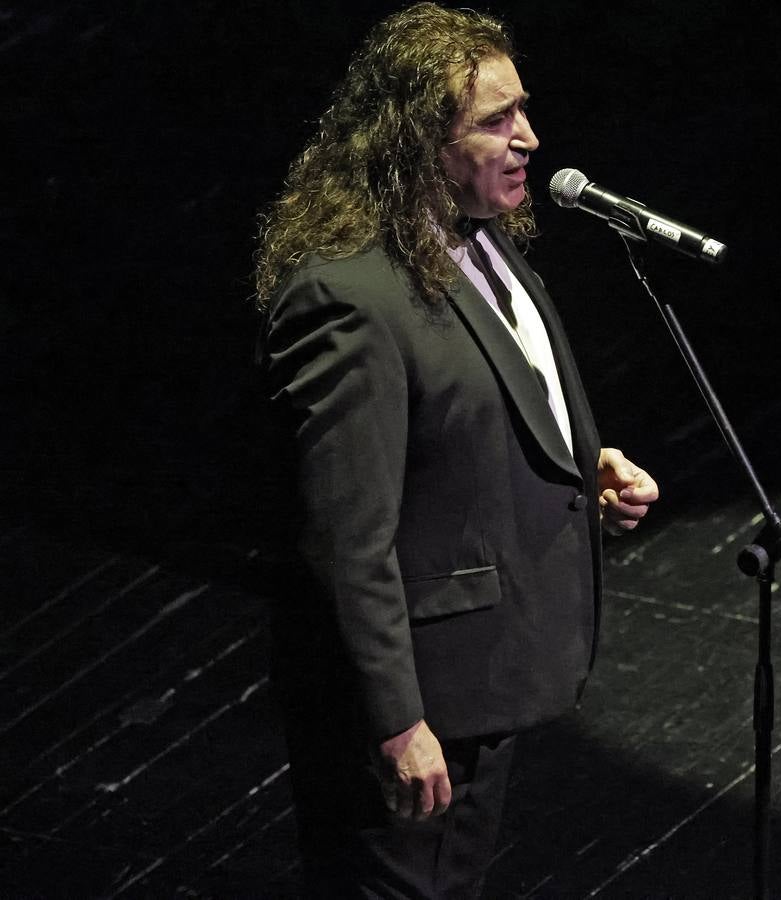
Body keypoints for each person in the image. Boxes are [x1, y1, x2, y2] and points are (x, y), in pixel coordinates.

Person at [253, 4, 659, 895]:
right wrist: (397, 724)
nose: (529, 138)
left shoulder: (480, 240)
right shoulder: (350, 299)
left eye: (522, 110)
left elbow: (473, 410)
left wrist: (576, 461)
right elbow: (343, 541)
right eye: (493, 121)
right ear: (414, 140)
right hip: (421, 705)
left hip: (482, 676)